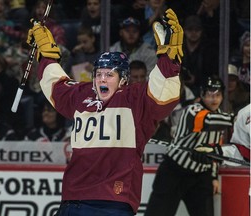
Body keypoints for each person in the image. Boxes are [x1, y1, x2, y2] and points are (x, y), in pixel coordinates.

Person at [27, 8, 183, 216]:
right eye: (98, 74)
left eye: (109, 75)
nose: (102, 79)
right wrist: (46, 55)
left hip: (112, 202)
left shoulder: (136, 98)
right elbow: (55, 85)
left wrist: (169, 60)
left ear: (124, 80)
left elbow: (164, 94)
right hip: (72, 200)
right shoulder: (81, 93)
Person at [145, 76, 234, 216]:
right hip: (174, 171)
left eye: (217, 95)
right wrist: (236, 118)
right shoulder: (192, 111)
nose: (214, 99)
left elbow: (215, 151)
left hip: (200, 176)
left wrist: (213, 177)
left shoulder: (221, 118)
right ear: (202, 94)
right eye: (210, 95)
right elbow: (208, 121)